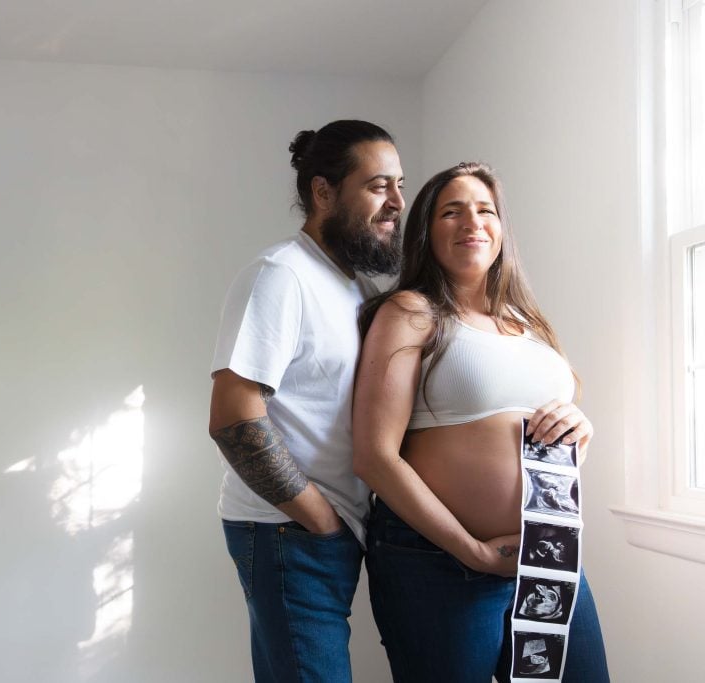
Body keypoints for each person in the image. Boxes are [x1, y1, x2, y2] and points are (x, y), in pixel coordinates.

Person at [352, 162, 610, 682]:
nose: (472, 221)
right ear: (427, 230)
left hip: (546, 553)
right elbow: (374, 455)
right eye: (452, 211)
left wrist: (580, 429)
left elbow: (552, 432)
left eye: (485, 210)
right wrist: (469, 550)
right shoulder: (411, 312)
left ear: (500, 229)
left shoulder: (529, 324)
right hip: (438, 561)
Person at [208, 120, 405, 682]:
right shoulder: (281, 276)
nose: (396, 202)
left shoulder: (350, 284)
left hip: (321, 534)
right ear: (323, 193)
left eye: (400, 184)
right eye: (377, 186)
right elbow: (233, 416)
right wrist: (320, 520)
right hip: (286, 530)